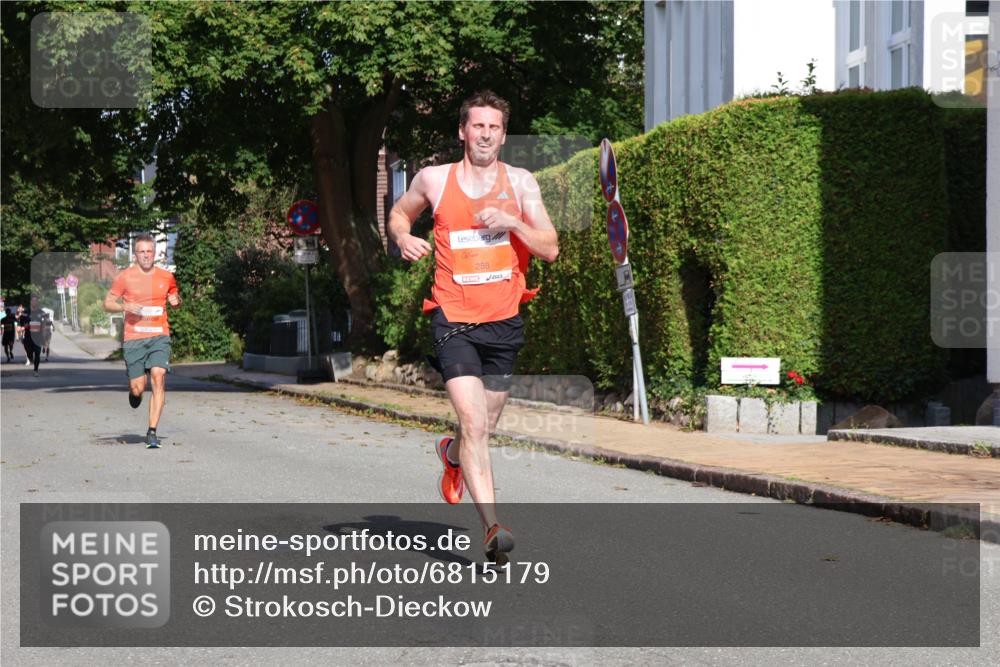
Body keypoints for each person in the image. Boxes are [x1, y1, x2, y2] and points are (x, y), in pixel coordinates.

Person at [387, 90, 559, 564]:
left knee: (484, 425)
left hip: (504, 320)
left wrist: (513, 223)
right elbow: (400, 213)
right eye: (478, 126)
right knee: (475, 423)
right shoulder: (434, 180)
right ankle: (492, 528)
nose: (485, 134)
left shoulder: (521, 183)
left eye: (494, 127)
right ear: (463, 131)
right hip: (453, 319)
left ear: (504, 135)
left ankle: (453, 456)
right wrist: (403, 237)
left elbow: (550, 248)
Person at [104, 234, 182, 449]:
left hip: (159, 335)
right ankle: (134, 392)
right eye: (141, 251)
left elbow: (175, 298)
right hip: (134, 338)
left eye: (149, 251)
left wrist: (177, 301)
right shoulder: (125, 277)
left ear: (154, 253)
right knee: (139, 388)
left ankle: (152, 431)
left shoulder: (166, 277)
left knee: (159, 376)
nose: (146, 255)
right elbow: (107, 303)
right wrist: (124, 307)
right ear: (135, 254)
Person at [21, 297, 44, 376]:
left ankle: (36, 370)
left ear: (37, 302)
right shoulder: (25, 312)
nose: (34, 302)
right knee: (29, 354)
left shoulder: (41, 312)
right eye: (33, 301)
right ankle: (30, 359)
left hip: (38, 337)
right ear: (30, 302)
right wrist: (25, 325)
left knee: (37, 353)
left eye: (36, 300)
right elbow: (21, 323)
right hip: (28, 336)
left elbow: (45, 323)